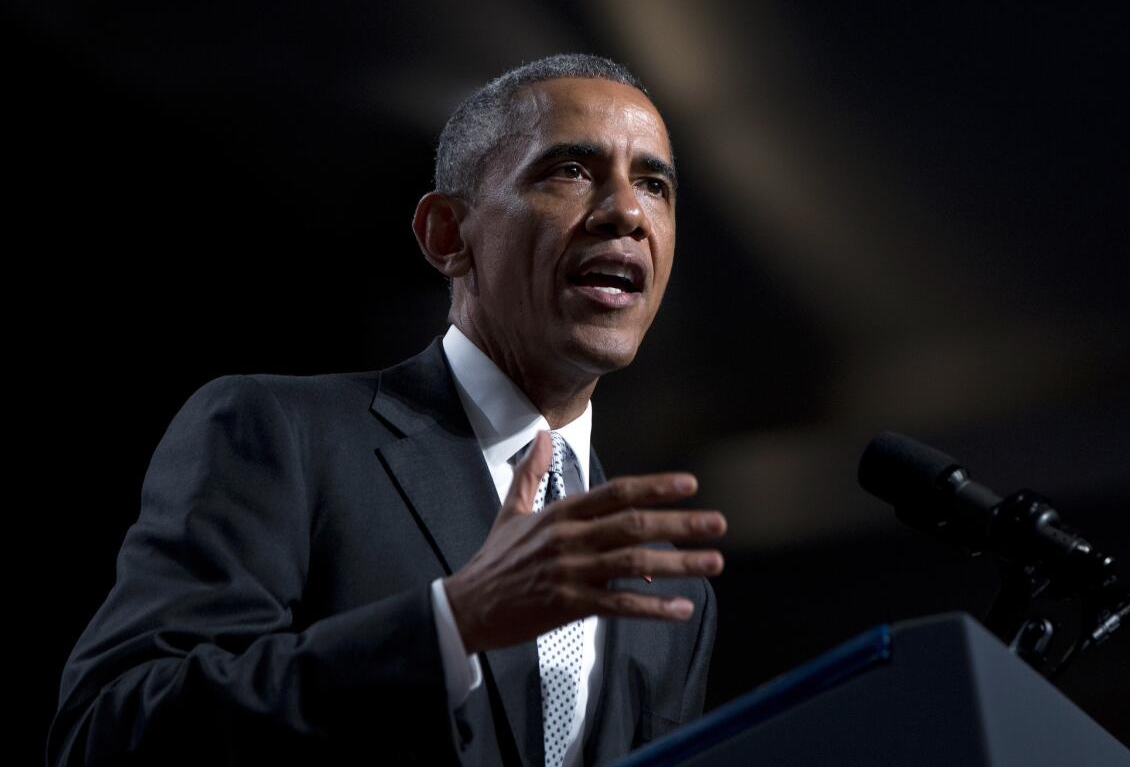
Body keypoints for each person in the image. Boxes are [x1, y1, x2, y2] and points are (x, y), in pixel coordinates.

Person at [48, 54, 726, 767]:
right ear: (447, 234)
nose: (626, 211)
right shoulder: (278, 436)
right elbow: (108, 734)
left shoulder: (669, 582)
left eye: (654, 183)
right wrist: (450, 625)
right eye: (571, 170)